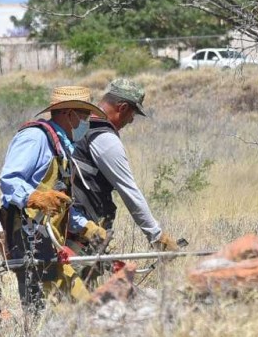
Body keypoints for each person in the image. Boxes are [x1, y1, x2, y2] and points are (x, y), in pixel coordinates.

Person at [0, 85, 106, 313]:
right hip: (28, 239)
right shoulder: (35, 138)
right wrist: (33, 197)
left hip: (51, 243)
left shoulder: (61, 147)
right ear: (69, 114)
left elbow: (58, 203)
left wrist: (86, 227)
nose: (86, 123)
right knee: (47, 313)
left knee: (86, 305)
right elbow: (9, 180)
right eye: (84, 116)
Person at [70, 78, 179, 266]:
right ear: (122, 108)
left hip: (67, 224)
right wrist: (156, 236)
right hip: (82, 231)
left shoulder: (78, 126)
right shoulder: (104, 137)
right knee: (79, 282)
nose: (131, 120)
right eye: (133, 113)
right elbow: (128, 190)